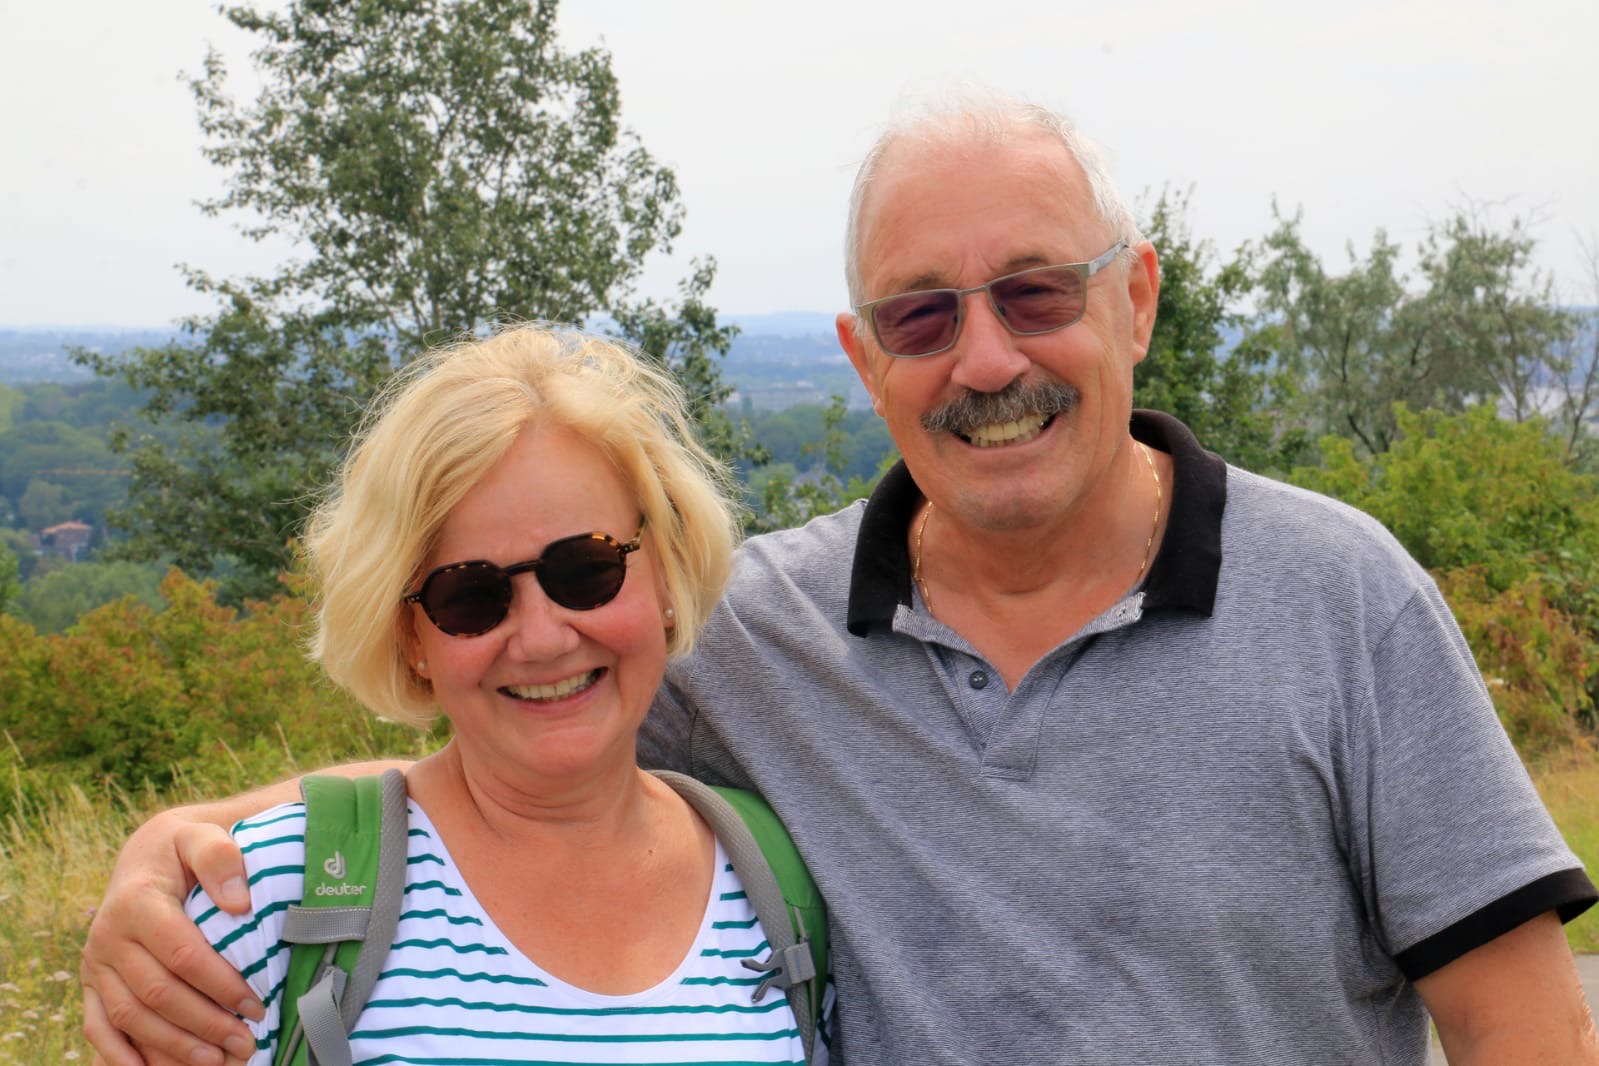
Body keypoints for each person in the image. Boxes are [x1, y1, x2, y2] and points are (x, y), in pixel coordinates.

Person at [84, 94, 1598, 1064]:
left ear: (1133, 297)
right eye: (923, 317)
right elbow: (518, 730)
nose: (985, 356)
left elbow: (1519, 1024)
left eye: (1031, 294)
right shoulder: (750, 633)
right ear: (864, 360)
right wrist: (198, 843)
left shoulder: (1342, 599)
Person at [149, 326, 829, 1064]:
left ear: (664, 573)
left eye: (586, 569)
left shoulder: (774, 884)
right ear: (411, 637)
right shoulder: (268, 901)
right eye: (471, 595)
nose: (541, 637)